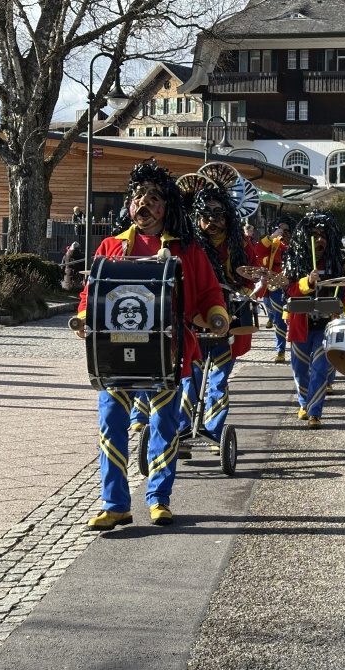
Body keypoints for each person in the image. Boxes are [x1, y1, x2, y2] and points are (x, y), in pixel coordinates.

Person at [74, 162, 228, 530]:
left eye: (153, 197)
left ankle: (158, 499)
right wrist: (83, 316)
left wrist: (217, 315)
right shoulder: (112, 246)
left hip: (168, 353)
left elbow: (207, 291)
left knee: (164, 425)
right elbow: (91, 292)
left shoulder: (186, 248)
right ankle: (115, 504)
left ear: (167, 206)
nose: (143, 203)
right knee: (111, 425)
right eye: (138, 196)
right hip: (116, 353)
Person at [180, 184, 259, 447]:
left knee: (218, 379)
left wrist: (245, 290)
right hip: (196, 320)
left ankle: (214, 431)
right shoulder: (189, 245)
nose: (213, 221)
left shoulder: (241, 245)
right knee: (190, 375)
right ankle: (183, 431)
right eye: (207, 216)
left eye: (219, 215)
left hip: (230, 320)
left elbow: (256, 277)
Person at [283, 209, 345, 428]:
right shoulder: (293, 259)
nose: (320, 240)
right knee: (300, 370)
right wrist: (308, 282)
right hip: (301, 325)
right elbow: (289, 291)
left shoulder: (336, 261)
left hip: (326, 325)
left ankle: (315, 411)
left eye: (323, 235)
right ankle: (305, 403)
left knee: (320, 370)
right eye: (315, 235)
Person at [253, 217, 293, 361]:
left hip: (294, 287)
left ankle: (299, 351)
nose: (284, 232)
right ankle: (280, 351)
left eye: (286, 230)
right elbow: (257, 250)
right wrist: (272, 237)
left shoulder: (297, 244)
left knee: (297, 319)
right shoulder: (274, 244)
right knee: (279, 320)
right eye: (280, 229)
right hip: (276, 287)